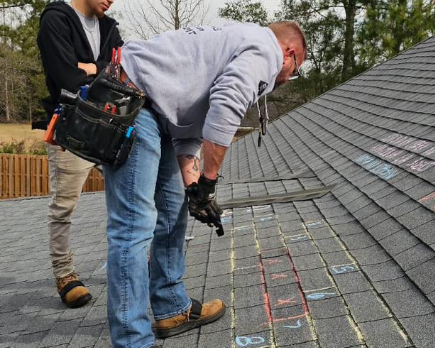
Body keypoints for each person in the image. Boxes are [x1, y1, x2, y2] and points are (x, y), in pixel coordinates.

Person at [103, 21, 306, 347]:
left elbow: (187, 133)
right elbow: (226, 107)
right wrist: (209, 182)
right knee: (134, 226)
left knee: (172, 212)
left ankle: (171, 307)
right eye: (293, 70)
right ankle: (132, 341)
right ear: (290, 53)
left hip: (155, 111)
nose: (286, 78)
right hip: (130, 100)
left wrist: (195, 190)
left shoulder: (233, 44)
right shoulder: (265, 50)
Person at [37, 0, 122, 308]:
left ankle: (136, 262)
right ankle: (65, 275)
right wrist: (103, 70)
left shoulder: (109, 27)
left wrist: (92, 68)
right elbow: (67, 78)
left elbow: (122, 72)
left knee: (131, 195)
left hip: (110, 127)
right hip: (71, 129)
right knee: (63, 206)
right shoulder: (56, 19)